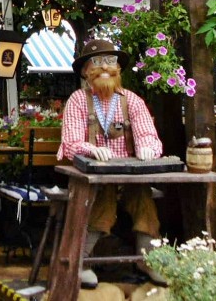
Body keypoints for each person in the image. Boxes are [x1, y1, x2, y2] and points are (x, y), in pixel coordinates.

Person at [57, 39, 165, 288]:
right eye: (96, 62)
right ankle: (82, 262)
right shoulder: (78, 100)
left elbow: (149, 135)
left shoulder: (132, 101)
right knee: (103, 197)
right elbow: (71, 142)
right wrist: (90, 149)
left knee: (143, 197)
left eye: (110, 61)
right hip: (91, 179)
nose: (104, 67)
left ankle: (150, 259)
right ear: (85, 71)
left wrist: (148, 147)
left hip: (128, 176)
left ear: (119, 69)